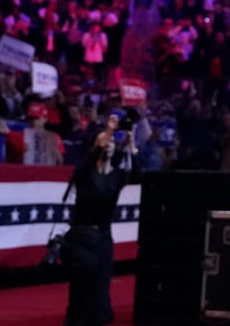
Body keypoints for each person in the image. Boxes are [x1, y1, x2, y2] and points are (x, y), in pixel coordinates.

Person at [64, 121, 136, 326]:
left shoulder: (115, 176)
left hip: (103, 237)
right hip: (81, 237)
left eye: (111, 140)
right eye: (104, 140)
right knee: (81, 285)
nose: (109, 143)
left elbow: (137, 174)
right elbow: (87, 163)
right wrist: (110, 129)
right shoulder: (84, 173)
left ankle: (98, 318)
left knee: (100, 285)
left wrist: (131, 145)